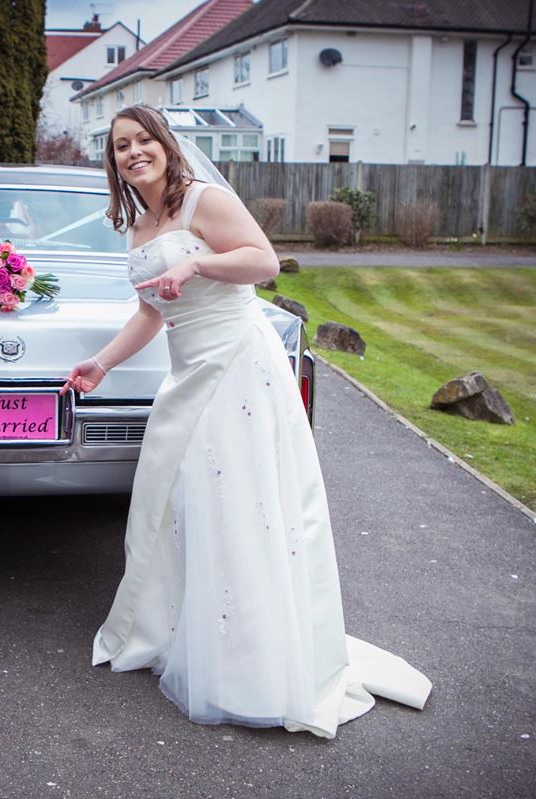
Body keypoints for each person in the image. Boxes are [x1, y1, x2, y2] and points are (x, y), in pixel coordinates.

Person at [61, 105, 431, 738]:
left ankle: (251, 656)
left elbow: (263, 261)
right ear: (113, 161)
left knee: (240, 505)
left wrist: (197, 264)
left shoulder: (200, 200)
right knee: (181, 502)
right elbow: (152, 314)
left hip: (236, 365)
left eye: (143, 140)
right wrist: (100, 363)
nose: (133, 152)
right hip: (187, 374)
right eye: (121, 146)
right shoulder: (140, 224)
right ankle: (190, 627)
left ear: (166, 144)